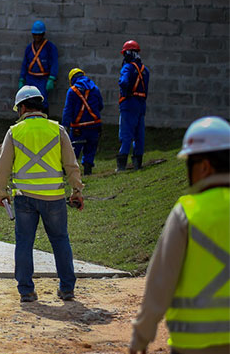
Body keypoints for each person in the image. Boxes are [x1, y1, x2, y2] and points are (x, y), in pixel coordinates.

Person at [129, 116, 230, 354]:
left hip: (193, 345)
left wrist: (141, 335)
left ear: (204, 167)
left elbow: (160, 282)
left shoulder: (187, 212)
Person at [0, 85, 84, 303]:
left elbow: (3, 166)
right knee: (60, 240)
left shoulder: (14, 132)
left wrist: (2, 191)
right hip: (54, 198)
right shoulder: (57, 129)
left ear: (23, 107)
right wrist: (76, 191)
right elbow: (71, 164)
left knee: (24, 243)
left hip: (24, 198)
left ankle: (26, 291)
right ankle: (66, 289)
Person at [61, 68, 104, 176]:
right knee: (90, 148)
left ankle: (68, 171)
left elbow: (68, 110)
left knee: (73, 149)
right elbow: (100, 106)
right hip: (94, 125)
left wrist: (64, 126)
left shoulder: (72, 91)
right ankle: (88, 169)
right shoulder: (95, 88)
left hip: (77, 128)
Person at [118, 40, 149, 171]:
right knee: (139, 134)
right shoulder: (145, 70)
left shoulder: (127, 68)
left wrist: (125, 91)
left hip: (129, 103)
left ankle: (121, 166)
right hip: (141, 104)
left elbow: (123, 82)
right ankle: (138, 164)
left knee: (126, 134)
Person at [19, 20, 58, 114]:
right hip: (30, 78)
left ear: (43, 34)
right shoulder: (29, 48)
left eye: (39, 34)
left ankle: (44, 120)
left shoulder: (50, 47)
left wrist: (52, 78)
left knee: (42, 101)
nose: (37, 37)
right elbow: (25, 63)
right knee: (28, 100)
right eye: (35, 35)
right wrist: (21, 79)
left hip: (43, 78)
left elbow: (54, 62)